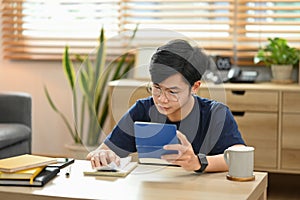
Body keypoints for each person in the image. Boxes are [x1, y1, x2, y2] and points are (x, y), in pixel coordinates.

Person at [87, 39, 245, 173]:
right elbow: (104, 151)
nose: (162, 99)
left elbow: (238, 156)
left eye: (172, 91)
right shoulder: (142, 110)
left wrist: (197, 162)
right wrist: (101, 156)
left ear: (195, 87)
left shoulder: (215, 113)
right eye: (157, 88)